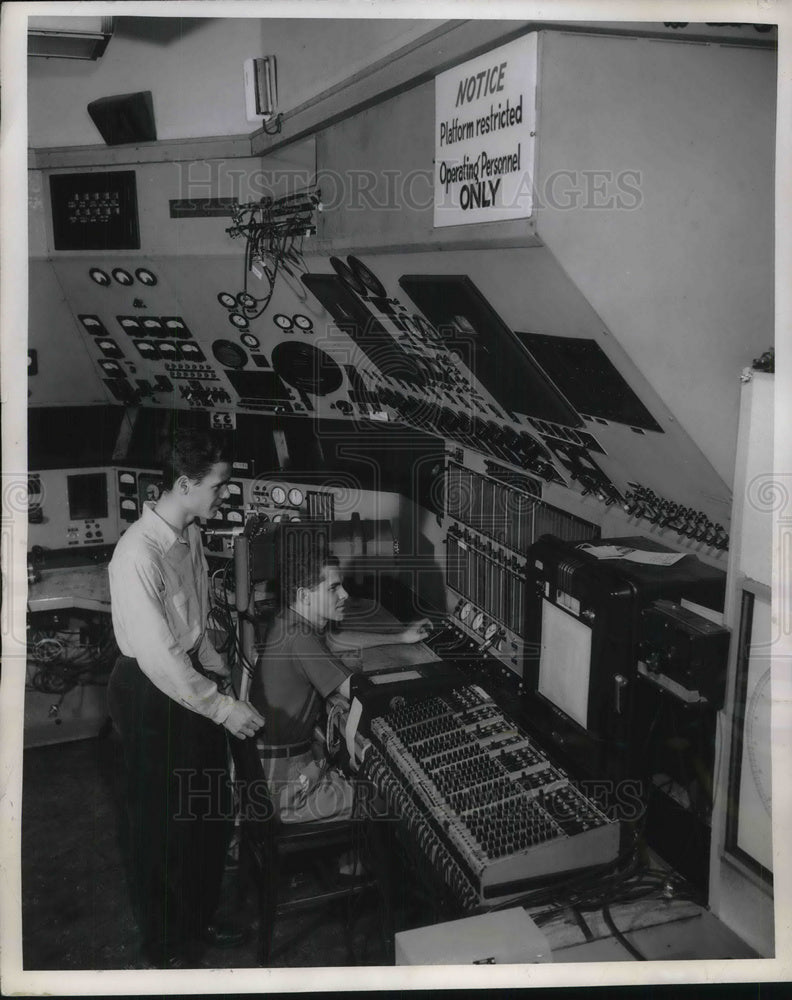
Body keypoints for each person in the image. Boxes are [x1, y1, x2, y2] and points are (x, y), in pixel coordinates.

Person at [107, 428, 265, 968]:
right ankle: (165, 945)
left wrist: (219, 671)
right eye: (219, 485)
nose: (225, 495)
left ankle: (198, 917)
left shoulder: (189, 532)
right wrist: (221, 706)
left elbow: (193, 620)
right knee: (162, 827)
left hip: (190, 676)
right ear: (183, 483)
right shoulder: (137, 555)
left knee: (209, 812)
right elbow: (158, 657)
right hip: (150, 692)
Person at [249, 537, 430, 825]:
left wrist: (400, 637)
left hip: (269, 769)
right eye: (333, 587)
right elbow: (362, 694)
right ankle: (352, 868)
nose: (344, 594)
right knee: (391, 799)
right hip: (285, 787)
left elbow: (335, 641)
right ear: (305, 596)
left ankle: (348, 867)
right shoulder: (301, 638)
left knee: (356, 772)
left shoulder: (288, 622)